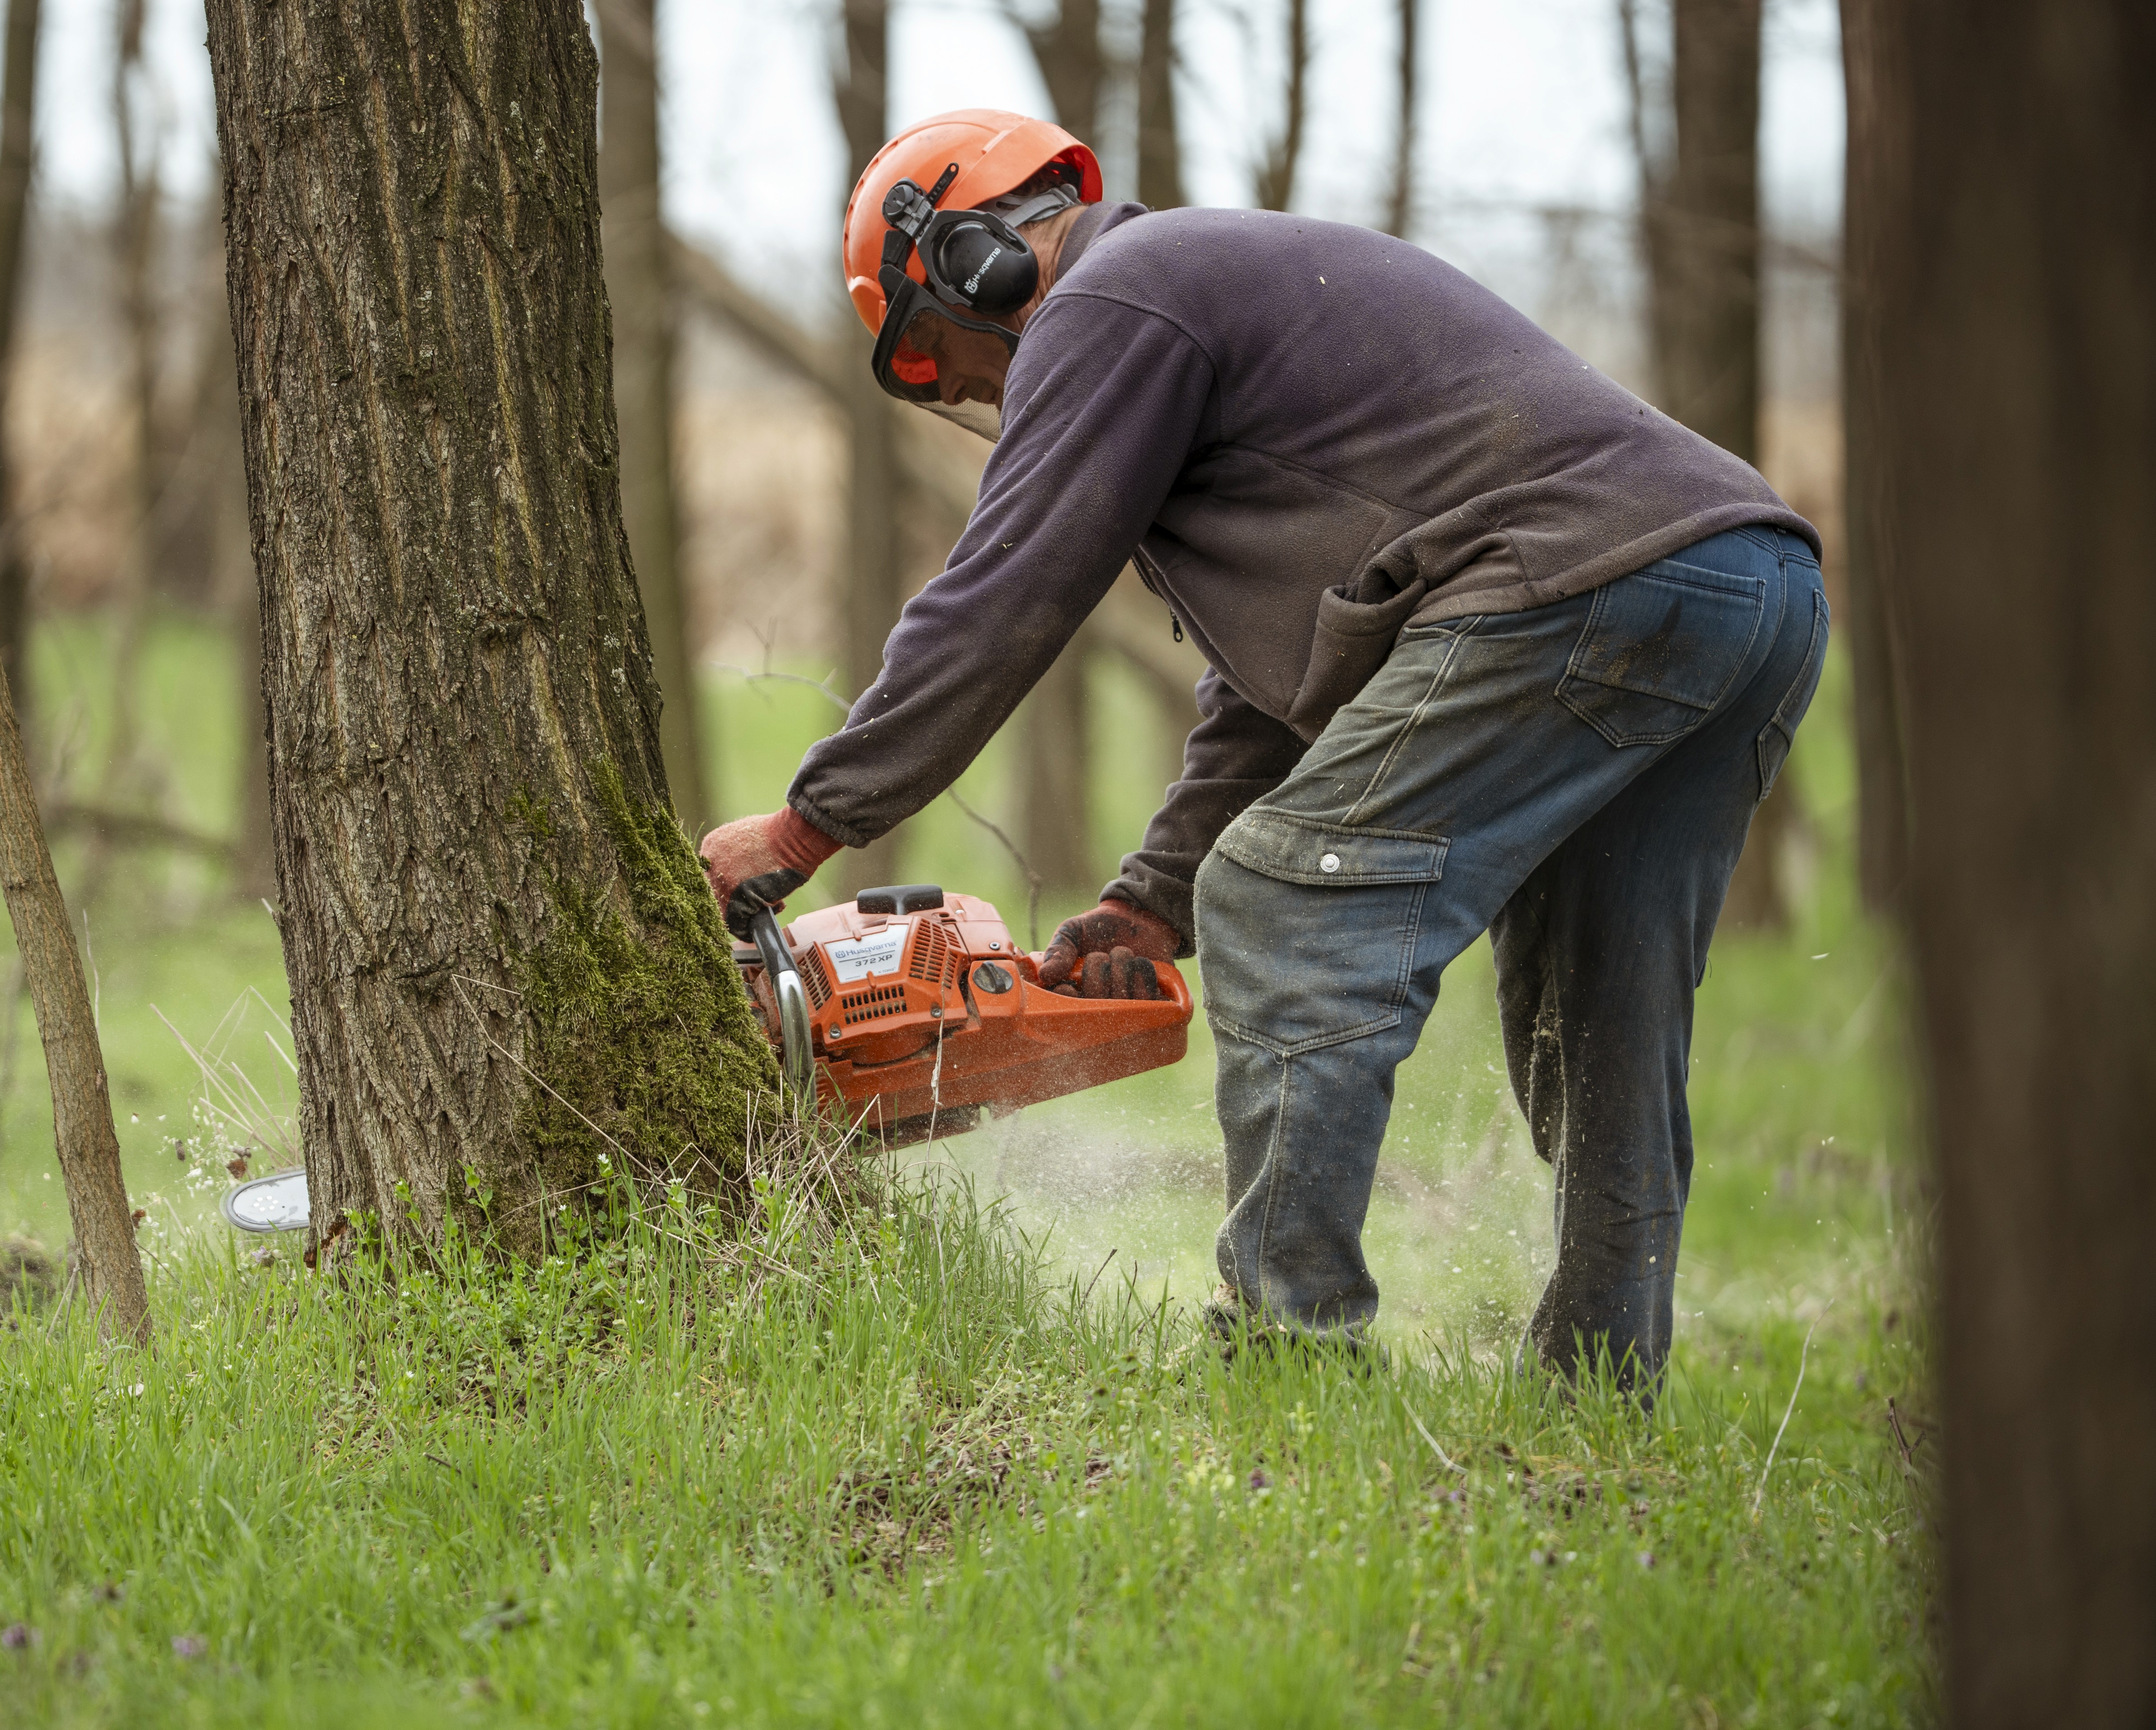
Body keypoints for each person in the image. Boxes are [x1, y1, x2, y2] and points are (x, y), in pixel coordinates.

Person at [696, 109, 1826, 1387]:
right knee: (1599, 1016)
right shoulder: (1198, 312)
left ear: (974, 260)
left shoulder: (1112, 302)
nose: (971, 392)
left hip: (1580, 580)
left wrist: (806, 826)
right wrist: (1147, 904)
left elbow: (1000, 593)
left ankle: (1287, 1356)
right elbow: (1283, 682)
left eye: (945, 357)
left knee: (1289, 901)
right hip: (1746, 585)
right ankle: (1605, 1390)